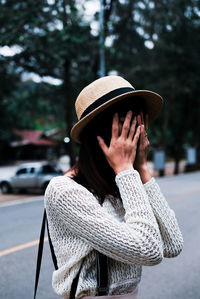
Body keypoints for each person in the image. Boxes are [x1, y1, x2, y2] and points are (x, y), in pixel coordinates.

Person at [44, 76, 183, 298]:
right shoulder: (64, 191)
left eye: (140, 125)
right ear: (103, 133)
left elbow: (172, 244)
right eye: (127, 127)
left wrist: (141, 170)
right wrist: (126, 170)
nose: (140, 135)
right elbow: (149, 252)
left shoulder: (121, 182)